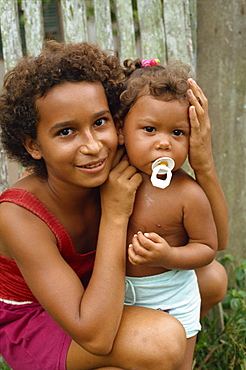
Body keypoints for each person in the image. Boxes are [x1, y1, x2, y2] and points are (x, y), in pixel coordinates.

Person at [0, 42, 187, 370]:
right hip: (35, 320)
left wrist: (204, 158)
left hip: (93, 294)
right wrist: (115, 213)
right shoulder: (17, 216)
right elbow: (97, 336)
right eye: (66, 132)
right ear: (33, 145)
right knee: (160, 340)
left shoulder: (111, 162)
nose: (92, 145)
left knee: (210, 276)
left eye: (99, 122)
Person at [116, 58, 228, 370]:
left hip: (174, 295)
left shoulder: (187, 193)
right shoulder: (108, 178)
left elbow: (207, 247)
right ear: (121, 130)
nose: (164, 142)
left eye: (177, 132)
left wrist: (168, 256)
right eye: (149, 129)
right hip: (116, 295)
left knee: (179, 362)